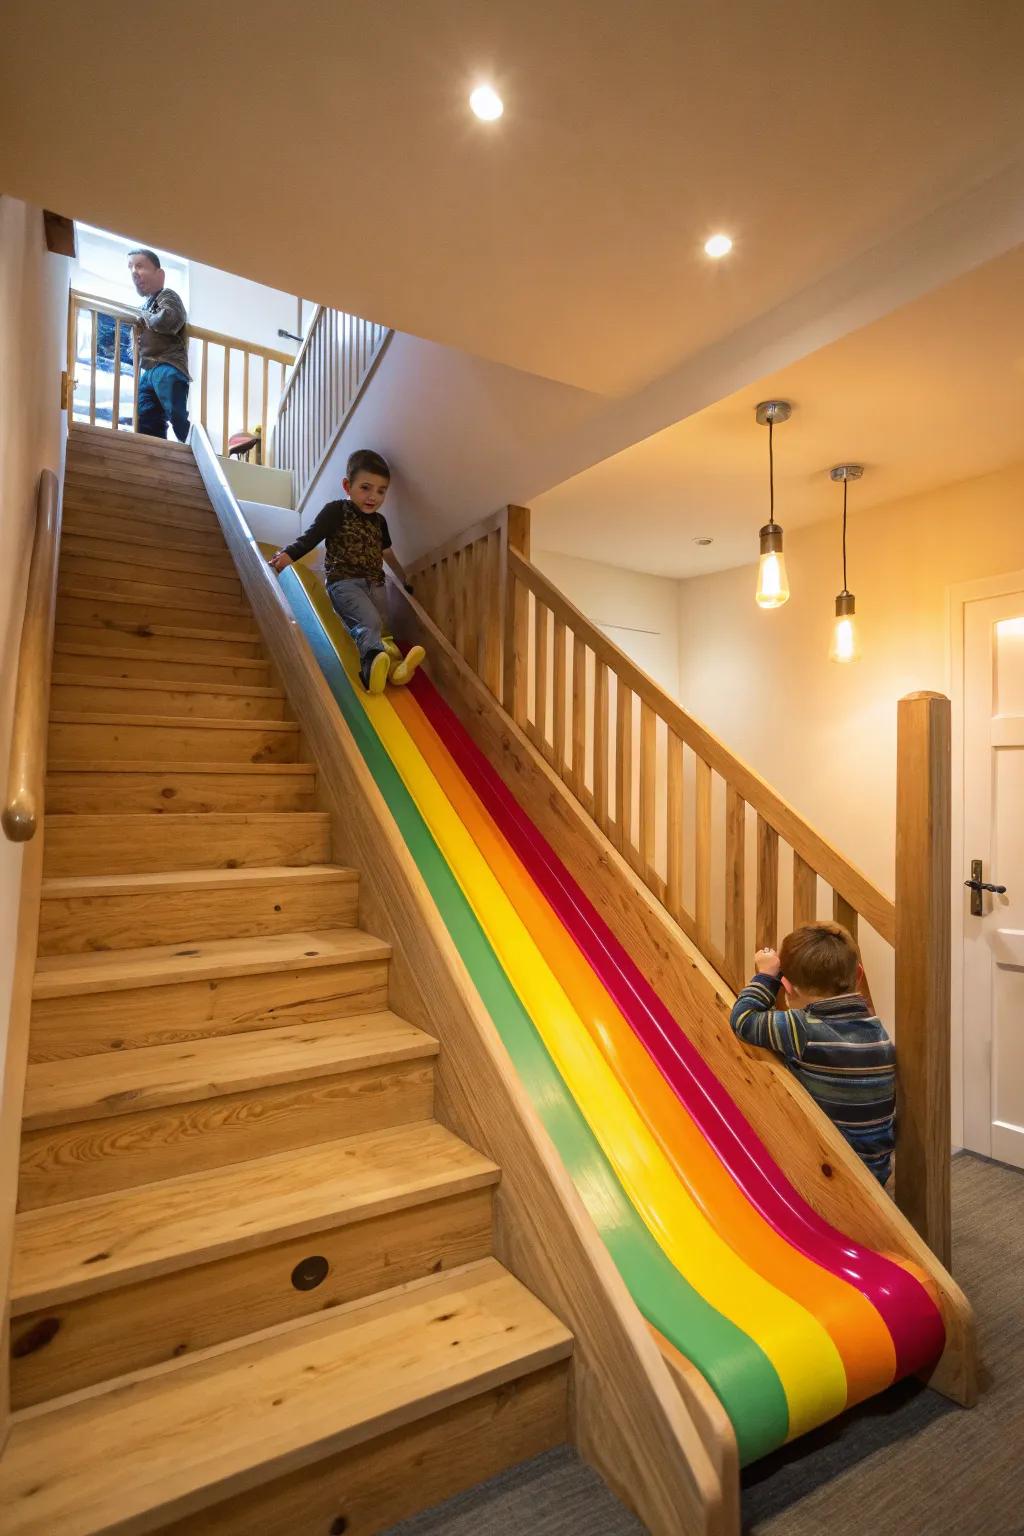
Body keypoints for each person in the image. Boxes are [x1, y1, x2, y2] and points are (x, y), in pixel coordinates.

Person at [729, 921, 895, 1185]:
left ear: (788, 986)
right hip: (876, 1170)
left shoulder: (801, 1027)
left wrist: (766, 976)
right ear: (859, 975)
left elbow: (743, 1019)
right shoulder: (877, 1032)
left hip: (832, 1172)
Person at [268, 448, 424, 694]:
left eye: (381, 491)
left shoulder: (380, 522)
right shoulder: (336, 511)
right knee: (368, 622)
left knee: (383, 628)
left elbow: (387, 554)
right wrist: (288, 554)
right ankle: (369, 669)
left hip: (376, 584)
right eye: (365, 487)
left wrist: (403, 578)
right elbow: (311, 537)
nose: (373, 496)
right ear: (347, 485)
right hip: (344, 582)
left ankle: (396, 669)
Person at [127, 247, 191, 442]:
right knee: (145, 415)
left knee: (175, 412)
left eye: (140, 266)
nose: (134, 272)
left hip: (167, 364)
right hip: (148, 370)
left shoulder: (166, 295)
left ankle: (192, 448)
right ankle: (152, 449)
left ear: (159, 274)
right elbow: (134, 346)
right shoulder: (144, 306)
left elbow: (172, 319)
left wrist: (144, 318)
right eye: (130, 268)